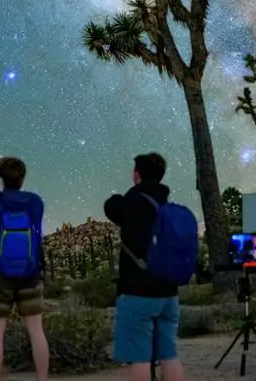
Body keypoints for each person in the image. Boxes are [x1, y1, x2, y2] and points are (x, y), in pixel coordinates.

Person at [104, 152, 184, 381]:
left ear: (137, 174)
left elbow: (112, 208)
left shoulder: (131, 201)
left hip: (137, 291)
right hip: (168, 292)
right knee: (169, 355)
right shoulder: (167, 205)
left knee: (138, 358)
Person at [0, 157, 48, 381]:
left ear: (1, 176)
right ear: (23, 177)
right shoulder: (35, 202)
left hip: (0, 274)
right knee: (36, 332)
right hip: (31, 274)